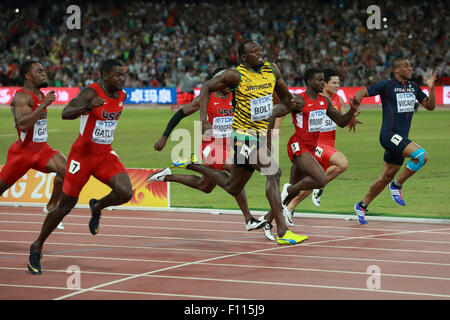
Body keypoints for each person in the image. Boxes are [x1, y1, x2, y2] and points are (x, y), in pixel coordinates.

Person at [183, 39, 308, 245]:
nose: (260, 54)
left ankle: (193, 164)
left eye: (261, 50)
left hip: (259, 135)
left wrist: (295, 103)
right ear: (243, 58)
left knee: (233, 186)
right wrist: (204, 121)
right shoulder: (235, 75)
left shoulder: (272, 70)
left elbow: (286, 98)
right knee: (273, 172)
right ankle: (283, 232)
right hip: (243, 135)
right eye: (254, 52)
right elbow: (206, 87)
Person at [27, 59, 133, 275]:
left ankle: (97, 207)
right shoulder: (90, 92)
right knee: (66, 205)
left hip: (104, 155)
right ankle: (37, 246)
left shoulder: (122, 95)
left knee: (125, 192)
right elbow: (66, 113)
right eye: (118, 75)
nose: (123, 79)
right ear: (105, 76)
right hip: (82, 158)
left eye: (124, 75)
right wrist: (88, 106)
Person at [148, 68, 265, 231]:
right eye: (226, 81)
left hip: (227, 146)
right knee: (236, 171)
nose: (230, 85)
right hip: (210, 147)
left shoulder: (234, 96)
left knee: (205, 187)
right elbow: (180, 114)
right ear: (217, 81)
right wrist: (164, 136)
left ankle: (167, 176)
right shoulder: (205, 98)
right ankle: (248, 219)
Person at [261, 68, 358, 233]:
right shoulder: (299, 100)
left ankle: (267, 221)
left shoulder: (324, 101)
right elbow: (274, 113)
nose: (322, 83)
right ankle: (289, 189)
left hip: (311, 148)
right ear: (309, 82)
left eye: (323, 80)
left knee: (292, 192)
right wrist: (268, 141)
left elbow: (341, 122)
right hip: (298, 146)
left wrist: (352, 110)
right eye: (319, 80)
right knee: (320, 180)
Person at [352, 58, 437, 224]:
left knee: (386, 175)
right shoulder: (387, 85)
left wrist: (431, 89)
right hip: (389, 135)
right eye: (406, 66)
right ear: (396, 70)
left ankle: (362, 205)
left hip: (400, 138)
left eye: (410, 65)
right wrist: (354, 110)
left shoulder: (414, 87)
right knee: (421, 156)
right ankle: (397, 186)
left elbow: (430, 106)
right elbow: (361, 92)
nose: (410, 68)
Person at [0, 61, 66, 230]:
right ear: (28, 76)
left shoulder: (40, 94)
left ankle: (51, 207)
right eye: (40, 71)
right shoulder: (21, 97)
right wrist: (44, 105)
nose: (44, 73)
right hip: (22, 154)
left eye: (44, 70)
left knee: (67, 170)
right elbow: (23, 125)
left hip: (42, 150)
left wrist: (43, 102)